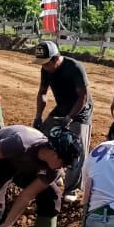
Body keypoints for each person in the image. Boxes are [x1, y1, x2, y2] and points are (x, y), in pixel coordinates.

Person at [33, 41, 92, 199]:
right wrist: (38, 116)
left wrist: (69, 118)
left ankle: (73, 188)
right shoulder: (45, 70)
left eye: (46, 63)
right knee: (45, 137)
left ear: (55, 58)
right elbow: (42, 93)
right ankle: (56, 173)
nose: (44, 67)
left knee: (76, 146)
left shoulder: (74, 68)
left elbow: (83, 97)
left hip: (80, 110)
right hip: (62, 107)